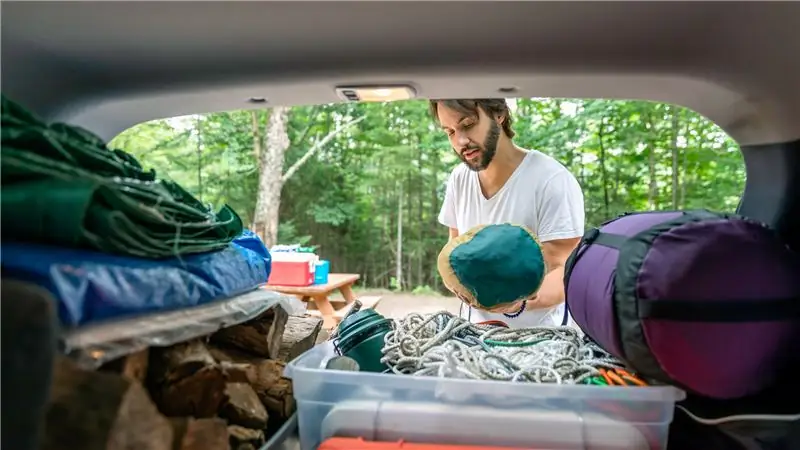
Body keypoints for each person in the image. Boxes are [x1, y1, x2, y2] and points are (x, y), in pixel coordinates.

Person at [432, 98, 585, 327]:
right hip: (474, 334)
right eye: (450, 132)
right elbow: (453, 250)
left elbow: (566, 271)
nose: (460, 141)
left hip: (539, 338)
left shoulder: (551, 180)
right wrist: (456, 284)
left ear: (499, 114)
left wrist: (516, 304)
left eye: (468, 124)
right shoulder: (459, 178)